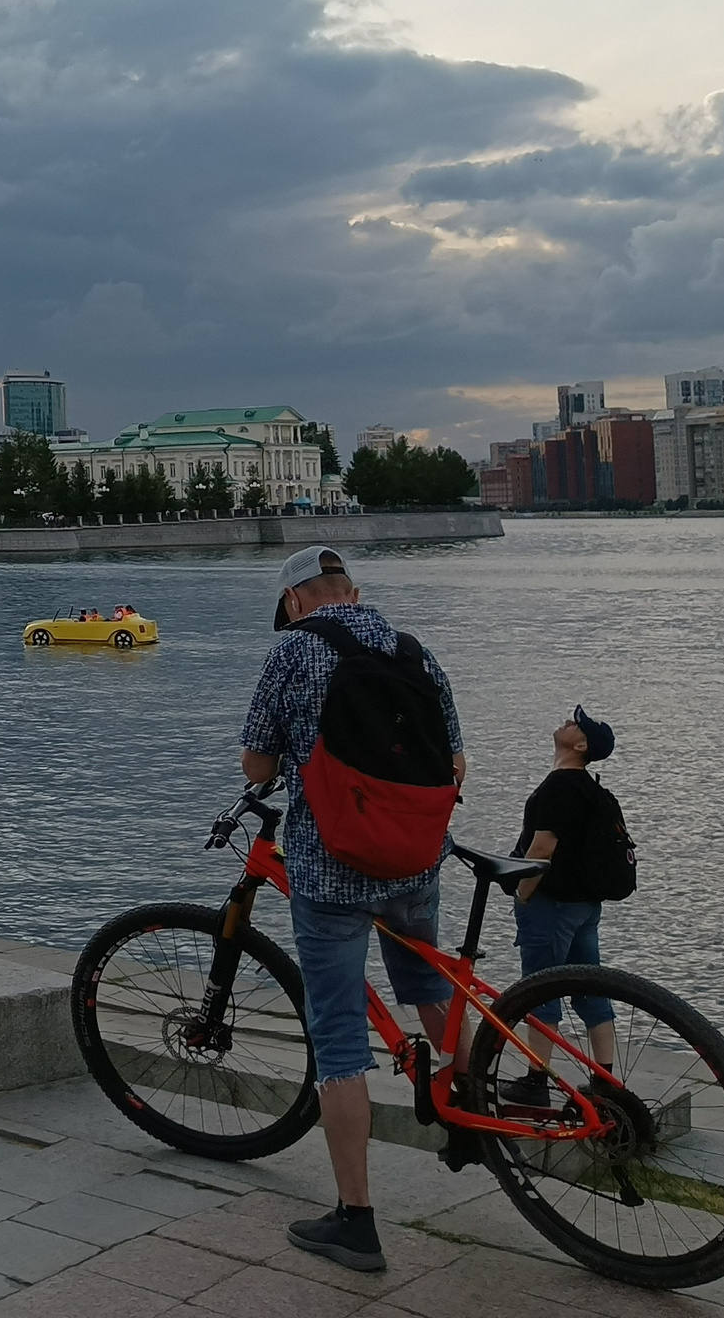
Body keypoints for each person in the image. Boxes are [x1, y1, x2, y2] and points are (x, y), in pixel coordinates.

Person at [242, 546, 467, 1275]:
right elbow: (455, 761)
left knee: (338, 1036)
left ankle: (356, 1220)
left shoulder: (295, 654)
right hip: (414, 859)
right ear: (355, 591)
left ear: (296, 602)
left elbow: (257, 764)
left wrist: (288, 765)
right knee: (428, 985)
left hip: (330, 867)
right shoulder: (412, 650)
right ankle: (471, 1109)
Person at [503, 707, 623, 1104]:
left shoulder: (558, 787)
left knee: (539, 988)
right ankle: (604, 1079)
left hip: (552, 904)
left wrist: (522, 895)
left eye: (575, 724)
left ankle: (536, 1080)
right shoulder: (592, 789)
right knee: (592, 988)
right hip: (586, 906)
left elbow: (542, 849)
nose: (567, 722)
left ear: (580, 744)